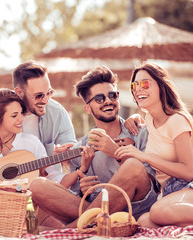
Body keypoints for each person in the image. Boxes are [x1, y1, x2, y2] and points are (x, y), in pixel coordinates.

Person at [29, 66, 159, 228]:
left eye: (113, 95)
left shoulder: (141, 132)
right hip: (93, 212)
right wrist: (83, 189)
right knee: (36, 185)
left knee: (133, 165)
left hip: (134, 208)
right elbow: (78, 195)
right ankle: (90, 224)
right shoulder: (82, 147)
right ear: (87, 108)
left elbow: (151, 182)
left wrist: (116, 153)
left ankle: (71, 231)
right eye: (99, 98)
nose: (108, 101)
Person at [115, 62, 193, 228]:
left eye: (145, 84)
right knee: (144, 222)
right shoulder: (151, 119)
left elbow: (188, 172)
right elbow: (152, 129)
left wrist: (144, 156)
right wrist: (134, 119)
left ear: (161, 86)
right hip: (171, 193)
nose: (138, 89)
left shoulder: (177, 120)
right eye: (134, 85)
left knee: (158, 211)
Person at [0, 60, 77, 184]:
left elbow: (72, 157)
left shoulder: (57, 113)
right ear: (19, 92)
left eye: (49, 93)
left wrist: (68, 157)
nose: (46, 100)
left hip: (33, 185)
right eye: (39, 95)